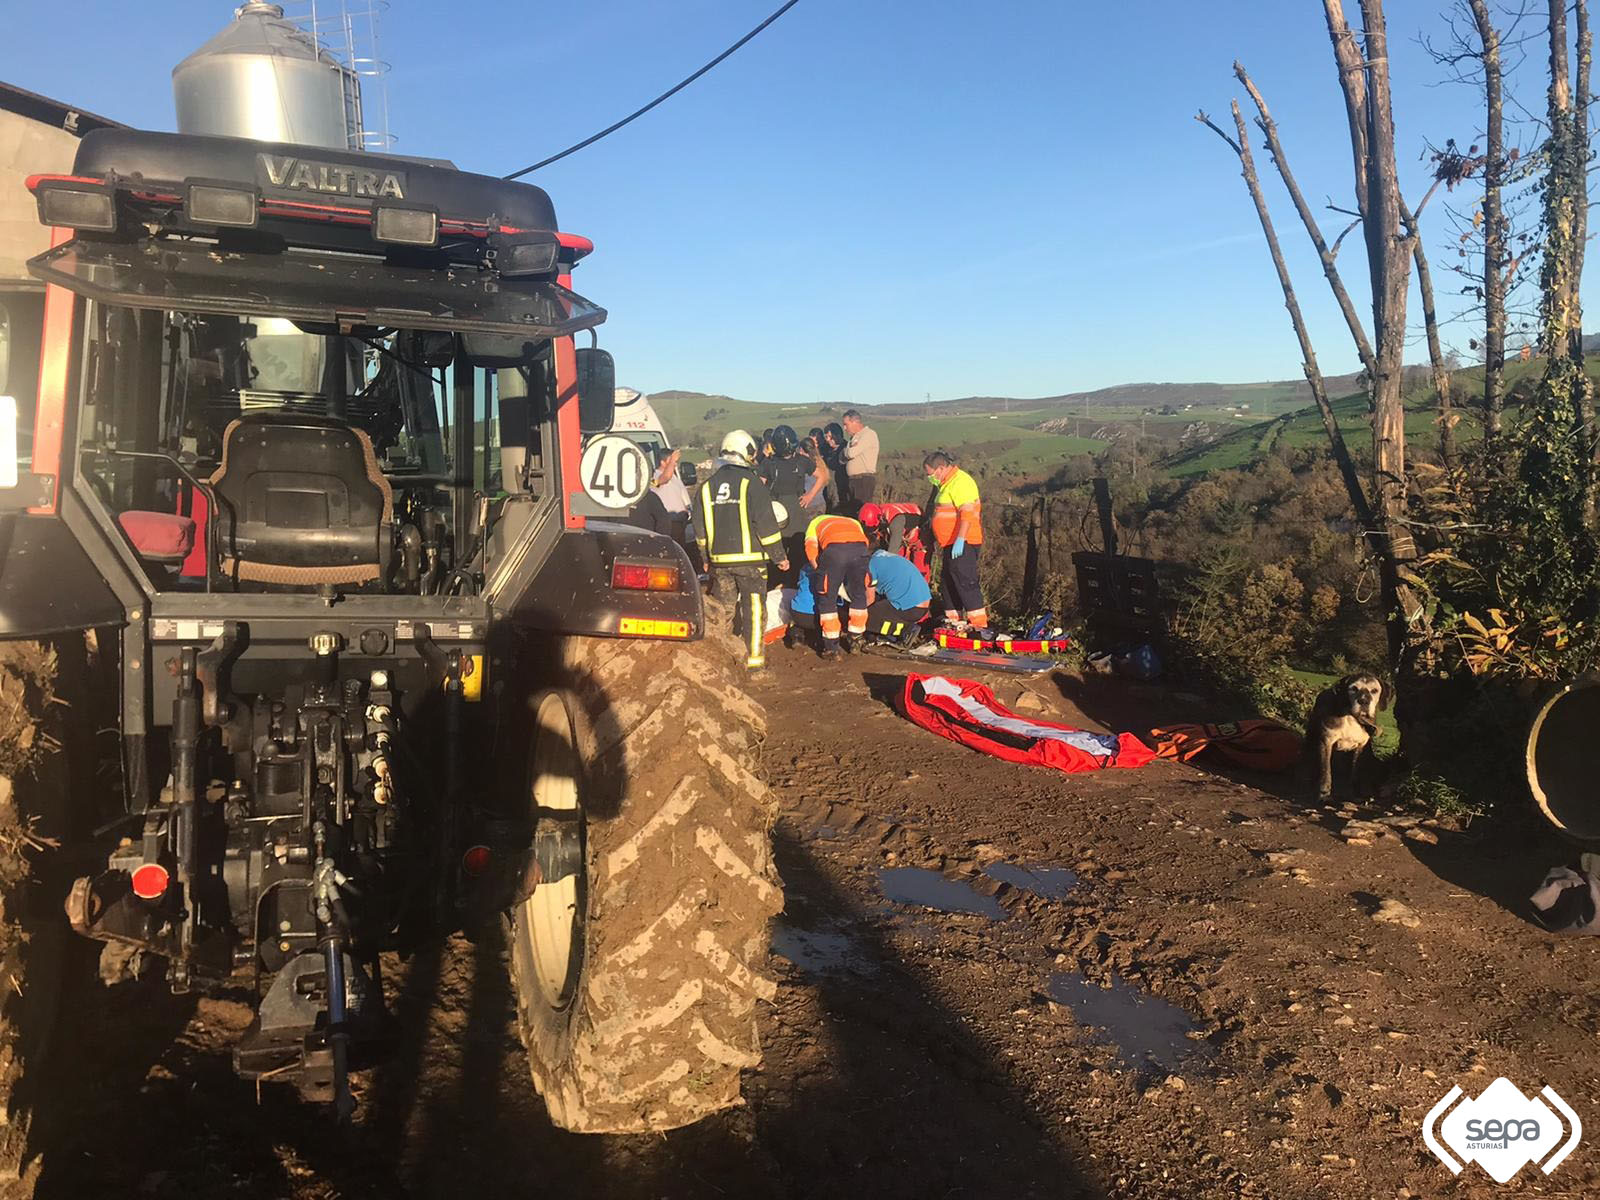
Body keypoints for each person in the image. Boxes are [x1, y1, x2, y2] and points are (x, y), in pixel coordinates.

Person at [694, 430, 789, 671]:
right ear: (744, 451)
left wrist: (705, 558)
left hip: (719, 563)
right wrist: (779, 556)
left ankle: (721, 661)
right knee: (754, 610)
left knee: (723, 612)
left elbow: (700, 531)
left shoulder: (705, 488)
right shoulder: (752, 483)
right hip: (750, 562)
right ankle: (755, 663)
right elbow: (766, 524)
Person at [924, 450, 987, 628]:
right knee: (948, 584)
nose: (929, 478)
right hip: (950, 543)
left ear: (941, 468)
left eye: (930, 474)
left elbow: (967, 514)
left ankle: (979, 626)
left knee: (965, 581)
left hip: (964, 542)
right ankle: (954, 622)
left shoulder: (961, 482)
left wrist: (960, 539)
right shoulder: (946, 483)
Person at [803, 512, 871, 659]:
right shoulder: (853, 521)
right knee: (858, 594)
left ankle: (831, 647)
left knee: (827, 598)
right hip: (860, 551)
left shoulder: (814, 522)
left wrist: (821, 572)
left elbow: (811, 549)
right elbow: (864, 542)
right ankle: (856, 638)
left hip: (834, 552)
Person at [759, 425, 808, 584]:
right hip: (777, 509)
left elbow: (822, 475)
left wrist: (810, 495)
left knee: (797, 548)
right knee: (777, 546)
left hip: (796, 509)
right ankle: (777, 582)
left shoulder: (801, 460)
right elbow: (760, 486)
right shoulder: (769, 463)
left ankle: (795, 582)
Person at [865, 547, 932, 643]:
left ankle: (903, 631)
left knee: (863, 616)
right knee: (880, 607)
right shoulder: (883, 556)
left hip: (910, 608)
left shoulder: (870, 565)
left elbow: (869, 600)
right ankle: (903, 630)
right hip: (922, 604)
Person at [838, 408, 880, 516]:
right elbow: (842, 458)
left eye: (846, 424)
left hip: (863, 480)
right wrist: (848, 451)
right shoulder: (853, 438)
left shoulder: (868, 434)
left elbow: (850, 454)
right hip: (853, 480)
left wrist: (847, 451)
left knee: (862, 512)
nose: (844, 428)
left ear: (854, 422)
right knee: (853, 512)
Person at [820, 422, 846, 512]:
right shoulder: (825, 449)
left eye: (830, 437)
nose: (828, 440)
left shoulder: (845, 448)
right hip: (828, 489)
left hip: (842, 488)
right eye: (826, 437)